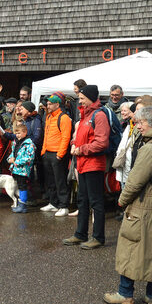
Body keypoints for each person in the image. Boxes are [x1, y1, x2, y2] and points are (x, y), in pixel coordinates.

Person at [103, 105, 152, 304]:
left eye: (141, 123)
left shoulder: (150, 149)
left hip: (144, 207)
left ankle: (125, 294)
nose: (137, 127)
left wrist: (122, 200)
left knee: (130, 250)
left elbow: (135, 181)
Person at [62, 84, 109, 250]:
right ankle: (80, 233)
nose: (79, 100)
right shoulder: (85, 115)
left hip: (93, 164)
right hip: (83, 164)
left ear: (90, 98)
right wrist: (74, 142)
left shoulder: (99, 115)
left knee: (96, 202)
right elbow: (80, 136)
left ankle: (98, 237)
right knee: (82, 200)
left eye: (82, 98)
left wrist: (81, 149)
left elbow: (102, 142)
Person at [40, 94, 72, 217]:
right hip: (48, 153)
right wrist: (43, 151)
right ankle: (53, 203)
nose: (47, 105)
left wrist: (60, 154)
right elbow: (46, 135)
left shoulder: (63, 118)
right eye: (47, 104)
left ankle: (63, 206)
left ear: (57, 104)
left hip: (57, 154)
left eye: (50, 104)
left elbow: (66, 137)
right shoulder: (48, 117)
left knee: (60, 180)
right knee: (51, 181)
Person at [7, 123, 36, 213]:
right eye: (16, 133)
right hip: (17, 169)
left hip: (23, 170)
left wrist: (16, 162)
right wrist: (9, 159)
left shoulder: (29, 144)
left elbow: (29, 158)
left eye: (19, 133)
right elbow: (13, 153)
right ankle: (21, 205)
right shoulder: (16, 142)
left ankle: (23, 205)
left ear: (25, 132)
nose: (17, 135)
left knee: (23, 186)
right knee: (20, 186)